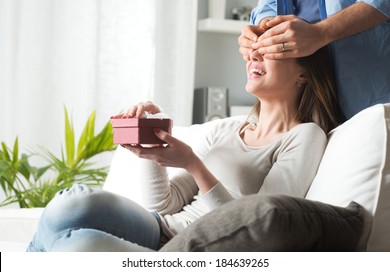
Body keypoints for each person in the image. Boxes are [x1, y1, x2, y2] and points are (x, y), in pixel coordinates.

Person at [27, 45, 338, 252]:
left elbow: (253, 227)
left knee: (77, 245)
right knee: (72, 202)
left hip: (190, 250)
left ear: (303, 72)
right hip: (159, 226)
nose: (253, 58)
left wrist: (192, 162)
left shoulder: (305, 136)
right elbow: (164, 204)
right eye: (253, 52)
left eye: (270, 52)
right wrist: (153, 147)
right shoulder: (232, 128)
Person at [239, 0, 390, 120]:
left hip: (370, 87)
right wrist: (264, 27)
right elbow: (270, 1)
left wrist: (322, 32)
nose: (254, 54)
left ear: (303, 74)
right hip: (311, 105)